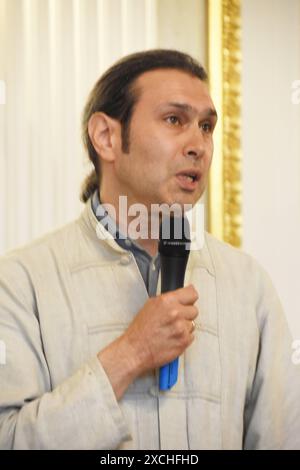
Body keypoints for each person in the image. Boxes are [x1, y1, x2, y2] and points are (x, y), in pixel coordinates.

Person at [0, 49, 299, 450]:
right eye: (175, 120)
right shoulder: (21, 282)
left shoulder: (249, 285)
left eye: (207, 126)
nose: (199, 145)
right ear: (107, 136)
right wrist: (131, 354)